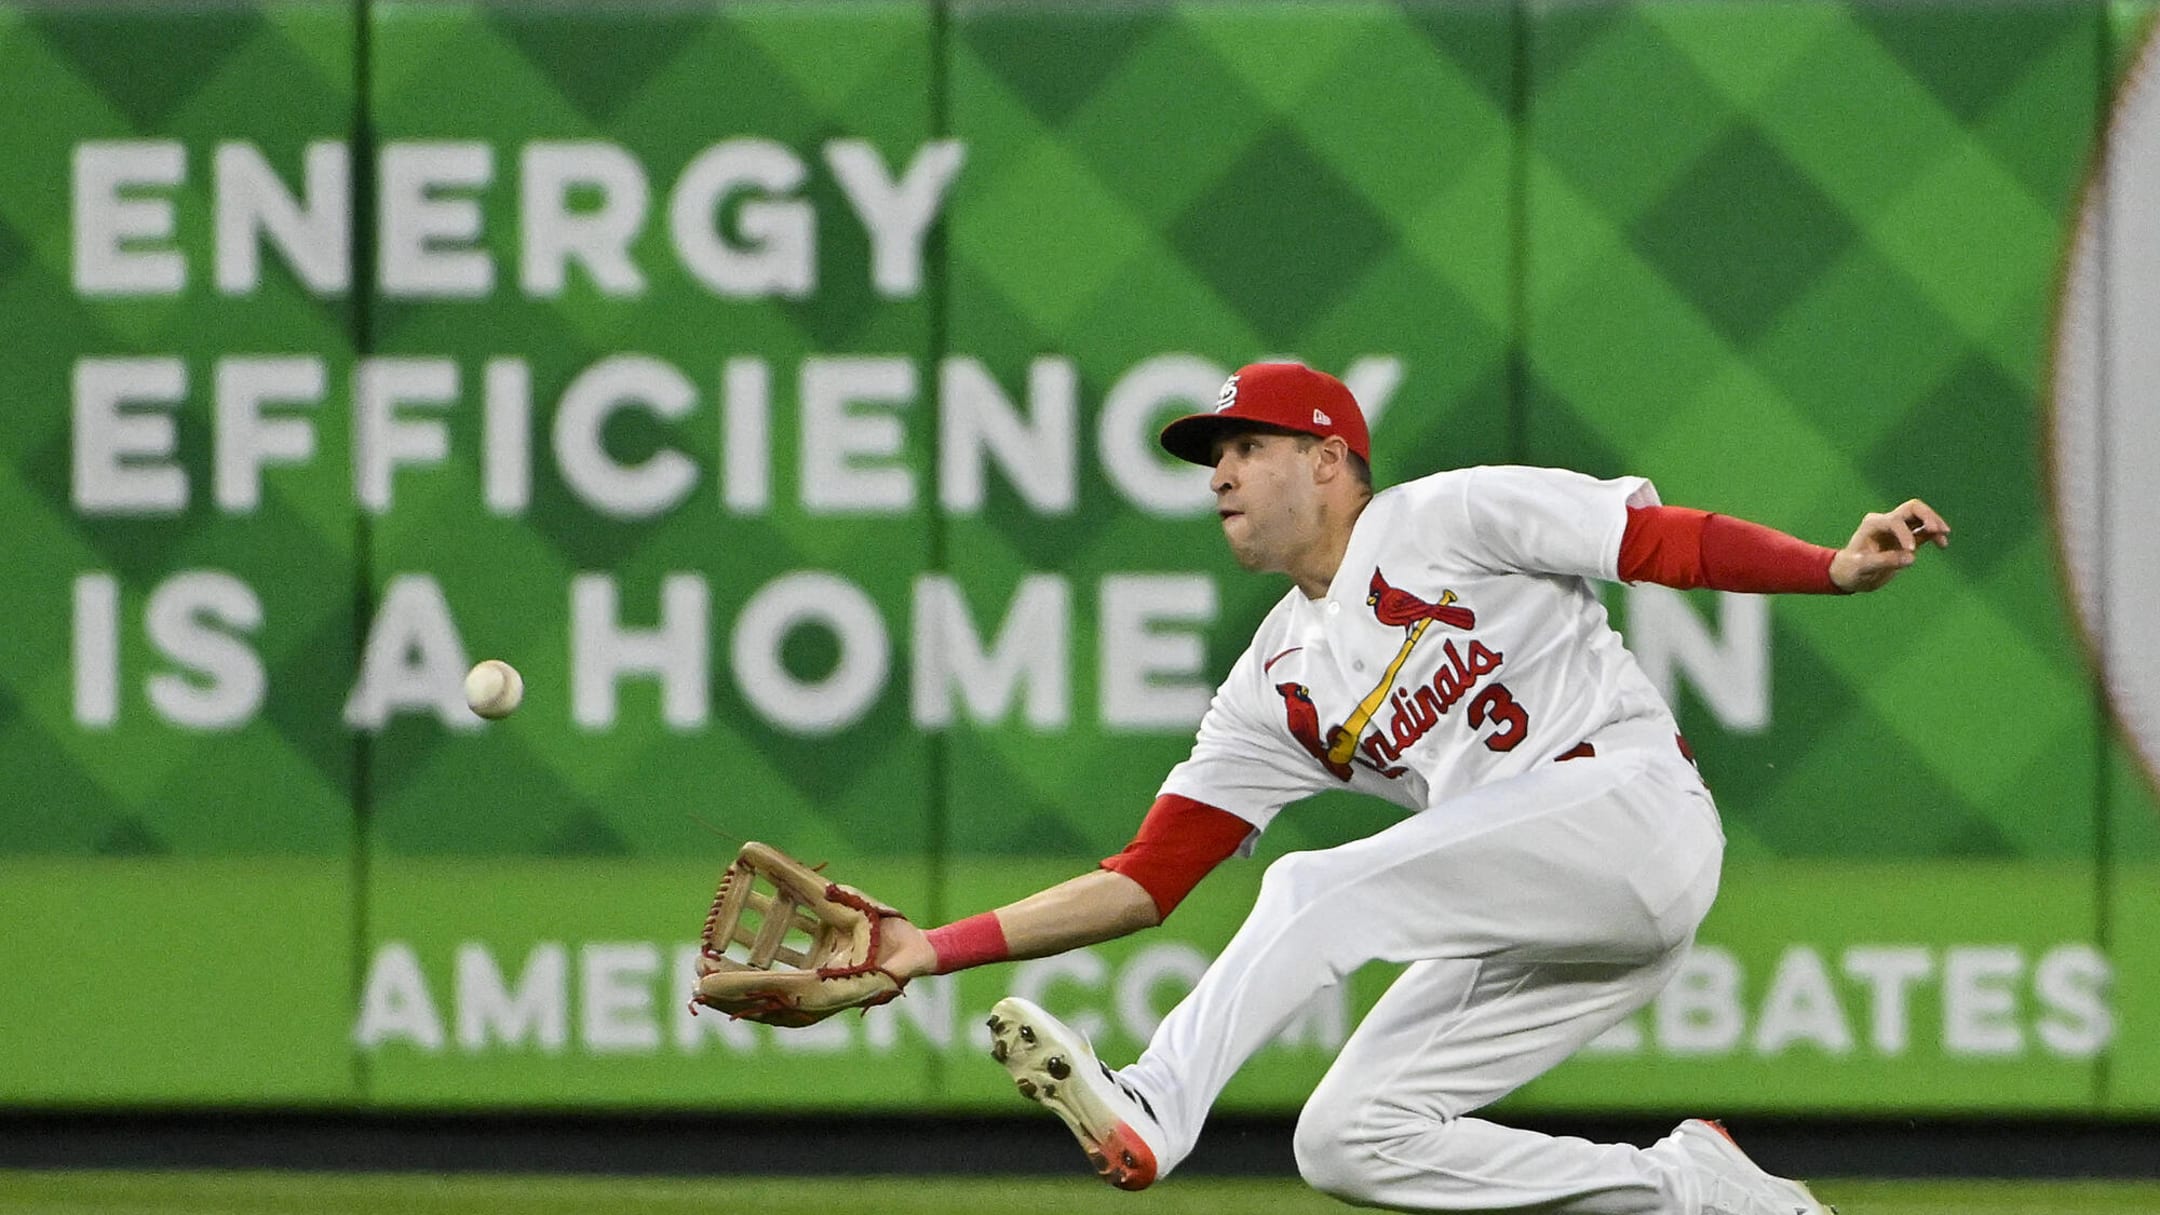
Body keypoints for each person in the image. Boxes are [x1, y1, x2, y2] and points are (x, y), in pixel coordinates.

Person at [876, 363, 1947, 1214]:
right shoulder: (1274, 680)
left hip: (1631, 812)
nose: (1220, 475)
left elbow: (1654, 542)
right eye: (1216, 457)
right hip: (1548, 909)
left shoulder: (1448, 516)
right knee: (1348, 1142)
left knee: (1306, 886)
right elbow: (1146, 881)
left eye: (1248, 446)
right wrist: (932, 949)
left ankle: (1157, 1097)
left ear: (1330, 459)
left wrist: (1831, 568)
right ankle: (1690, 1195)